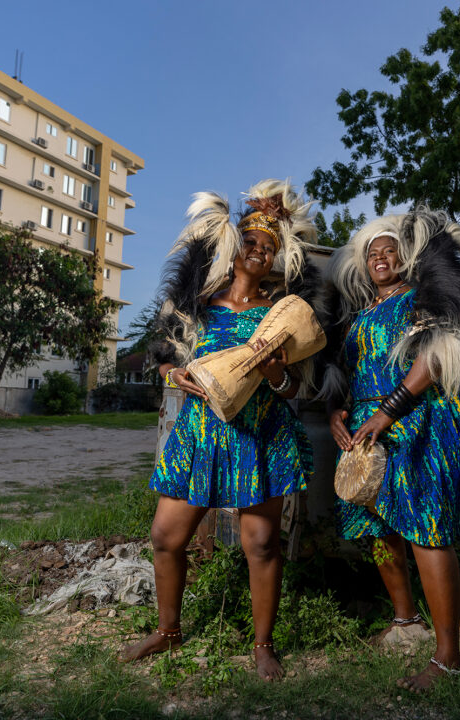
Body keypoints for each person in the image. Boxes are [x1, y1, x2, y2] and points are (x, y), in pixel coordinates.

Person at [120, 180, 320, 681]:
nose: (258, 250)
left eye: (268, 246)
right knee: (166, 537)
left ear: (277, 259)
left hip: (258, 434)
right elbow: (161, 358)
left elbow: (292, 386)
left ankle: (263, 645)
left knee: (261, 544)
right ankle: (168, 631)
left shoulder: (278, 314)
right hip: (199, 433)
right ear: (235, 248)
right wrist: (173, 374)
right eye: (250, 242)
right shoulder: (199, 302)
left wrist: (275, 372)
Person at [323, 209, 460, 691]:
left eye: (389, 251)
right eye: (372, 254)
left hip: (418, 422)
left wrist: (387, 412)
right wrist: (337, 412)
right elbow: (346, 374)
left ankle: (448, 658)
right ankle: (406, 622)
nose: (380, 258)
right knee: (380, 527)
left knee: (426, 531)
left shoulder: (421, 302)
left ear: (406, 258)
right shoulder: (357, 316)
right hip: (369, 431)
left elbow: (435, 359)